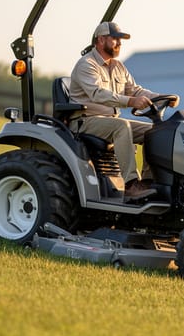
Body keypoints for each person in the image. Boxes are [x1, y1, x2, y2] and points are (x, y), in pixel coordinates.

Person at [68, 21, 178, 201]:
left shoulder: (118, 67)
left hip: (108, 121)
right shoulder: (87, 64)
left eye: (121, 40)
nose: (119, 43)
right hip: (85, 121)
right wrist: (131, 102)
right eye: (115, 39)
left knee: (154, 132)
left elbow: (135, 90)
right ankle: (130, 185)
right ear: (101, 40)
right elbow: (98, 94)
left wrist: (162, 97)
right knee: (121, 126)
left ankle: (149, 182)